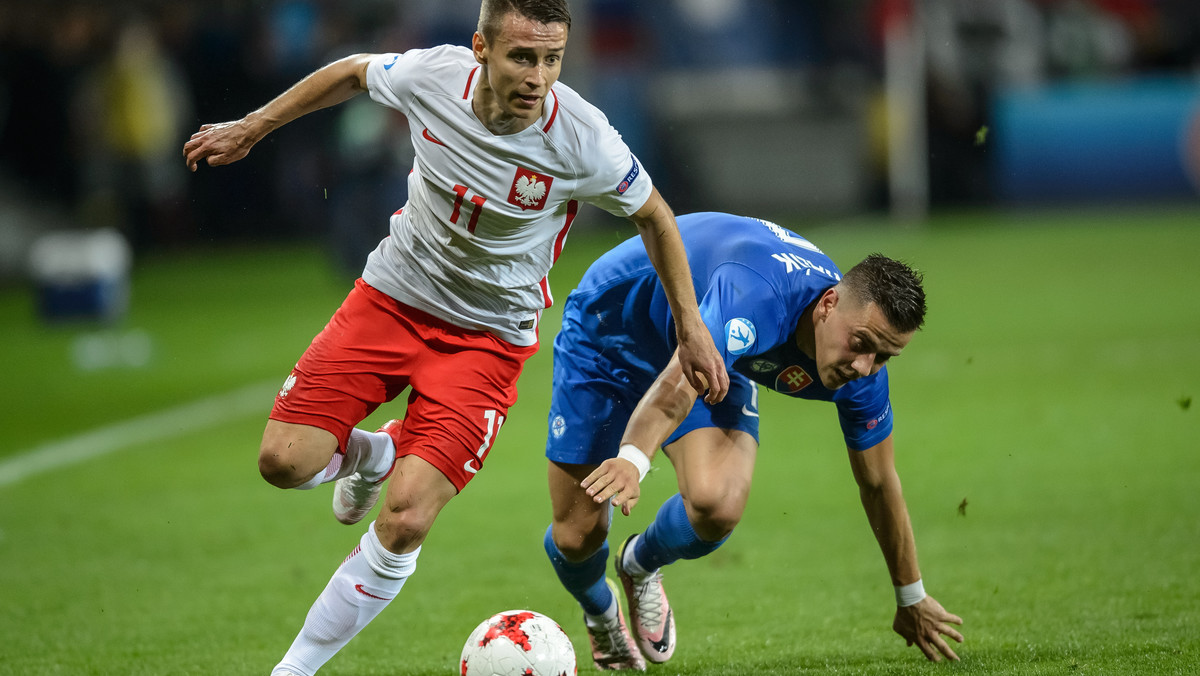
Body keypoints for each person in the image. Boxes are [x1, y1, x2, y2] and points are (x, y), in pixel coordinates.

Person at [181, 2, 729, 674]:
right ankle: (374, 457)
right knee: (283, 463)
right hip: (390, 300)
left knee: (406, 519)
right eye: (522, 57)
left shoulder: (583, 137)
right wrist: (254, 126)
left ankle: (291, 670)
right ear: (480, 49)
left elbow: (656, 216)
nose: (538, 76)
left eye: (552, 59)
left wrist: (690, 326)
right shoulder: (431, 77)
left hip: (487, 341)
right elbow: (355, 72)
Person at [543, 212, 964, 670]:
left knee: (716, 504)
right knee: (578, 535)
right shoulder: (756, 296)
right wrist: (632, 459)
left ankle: (638, 564)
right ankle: (600, 611)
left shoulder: (860, 372)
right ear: (827, 304)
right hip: (611, 329)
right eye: (860, 343)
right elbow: (676, 389)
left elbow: (880, 483)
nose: (864, 366)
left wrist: (911, 596)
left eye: (884, 356)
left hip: (718, 351)